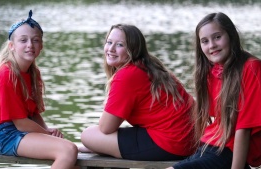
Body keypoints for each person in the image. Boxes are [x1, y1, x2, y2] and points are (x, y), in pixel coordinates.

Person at [0, 10, 78, 169]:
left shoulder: (32, 73)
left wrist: (46, 130)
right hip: (4, 136)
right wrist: (47, 134)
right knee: (68, 150)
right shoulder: (6, 75)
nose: (30, 45)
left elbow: (33, 113)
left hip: (20, 130)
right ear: (12, 46)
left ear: (41, 46)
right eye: (23, 40)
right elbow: (21, 123)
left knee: (73, 155)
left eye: (35, 40)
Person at [79, 24, 196, 161]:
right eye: (109, 42)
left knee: (88, 135)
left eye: (120, 45)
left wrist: (96, 144)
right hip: (190, 141)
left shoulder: (127, 75)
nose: (110, 49)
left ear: (133, 50)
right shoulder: (149, 65)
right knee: (96, 137)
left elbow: (106, 128)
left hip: (171, 143)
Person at [167, 12, 261, 169]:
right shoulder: (212, 70)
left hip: (229, 151)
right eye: (205, 41)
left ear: (231, 35)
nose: (211, 45)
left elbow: (244, 127)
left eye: (217, 37)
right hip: (208, 146)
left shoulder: (251, 67)